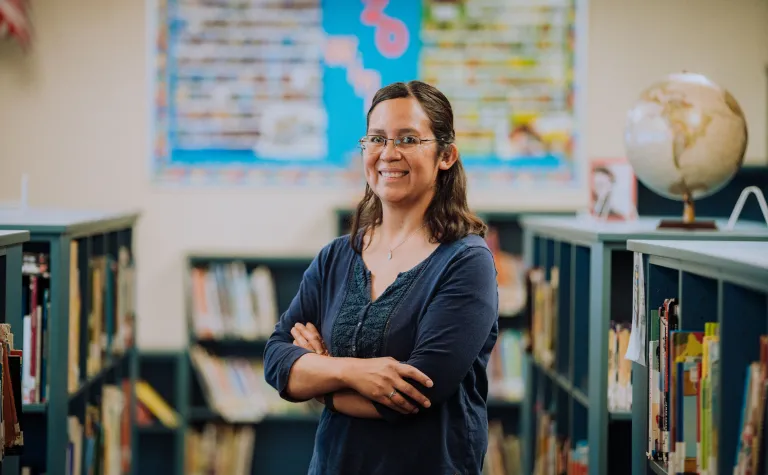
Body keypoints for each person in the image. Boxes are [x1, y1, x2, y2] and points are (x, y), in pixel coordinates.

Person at [263, 80, 500, 475]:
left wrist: (318, 375)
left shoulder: (466, 262)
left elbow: (418, 392)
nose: (388, 153)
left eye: (408, 139)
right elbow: (276, 360)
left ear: (446, 155)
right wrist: (350, 371)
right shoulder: (337, 256)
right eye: (376, 138)